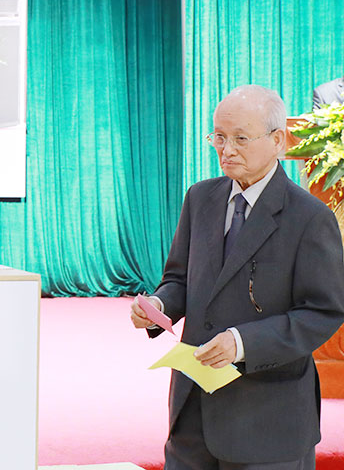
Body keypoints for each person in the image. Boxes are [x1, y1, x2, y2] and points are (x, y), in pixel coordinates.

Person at [130, 85, 344, 469]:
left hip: (267, 423)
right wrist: (159, 305)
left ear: (278, 140)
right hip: (192, 415)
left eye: (241, 139)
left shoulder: (310, 217)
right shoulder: (200, 198)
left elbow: (322, 313)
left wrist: (242, 342)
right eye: (219, 137)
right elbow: (179, 278)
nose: (226, 150)